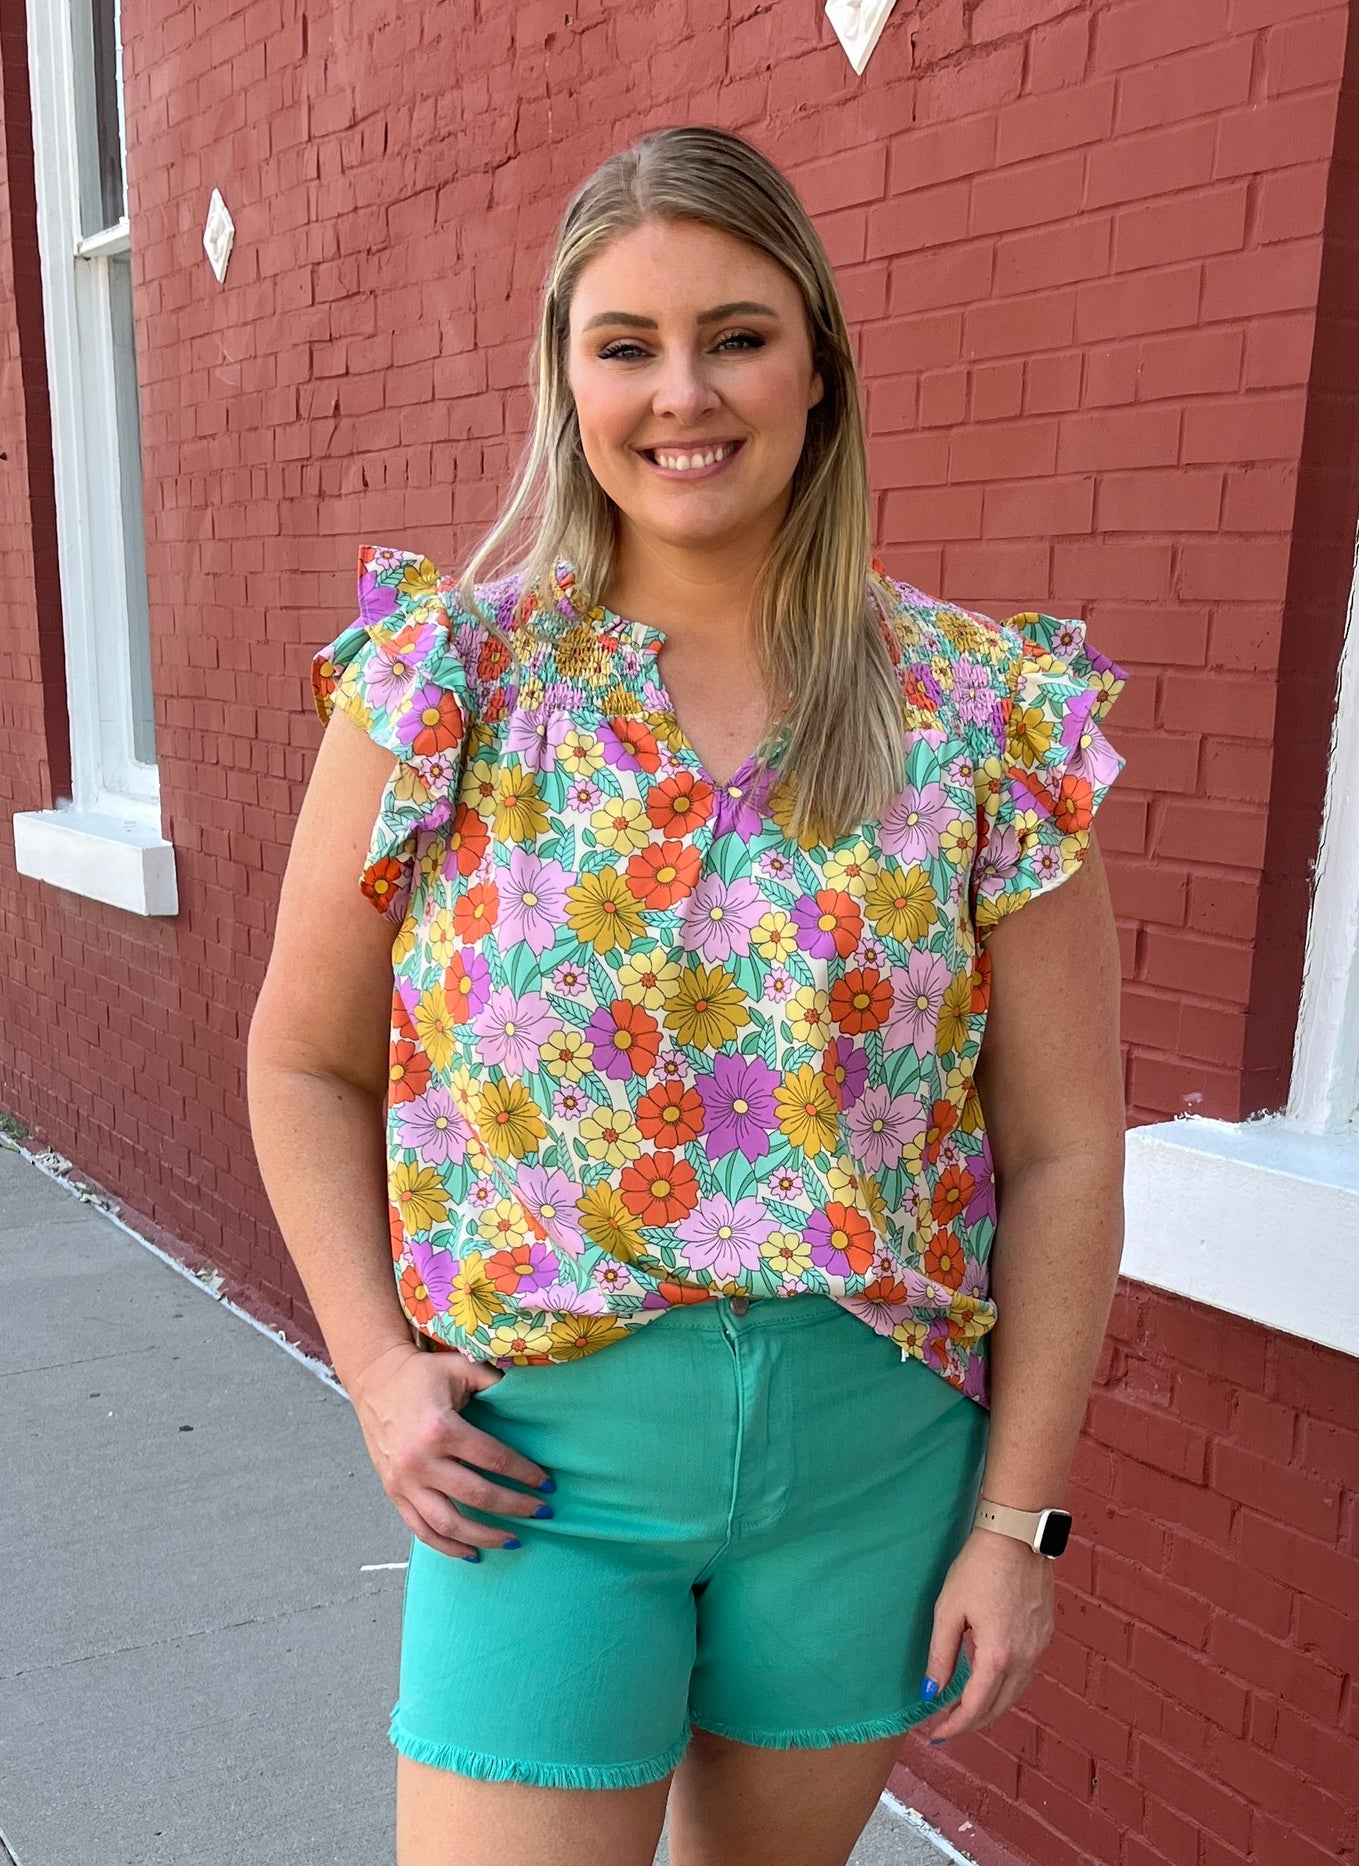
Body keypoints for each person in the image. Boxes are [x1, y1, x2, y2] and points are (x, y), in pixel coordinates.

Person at [247, 124, 1129, 1866]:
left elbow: (1066, 1145)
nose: (683, 393)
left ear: (817, 364)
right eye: (625, 343)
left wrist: (1017, 1523)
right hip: (543, 1480)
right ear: (565, 375)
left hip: (870, 1476)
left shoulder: (978, 712)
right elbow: (302, 1057)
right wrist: (372, 1369)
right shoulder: (452, 686)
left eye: (734, 334)